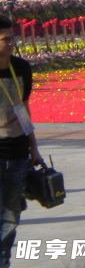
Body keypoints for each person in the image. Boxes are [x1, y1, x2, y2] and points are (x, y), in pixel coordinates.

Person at [0, 17, 43, 268]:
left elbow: (23, 107)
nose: (11, 44)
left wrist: (34, 148)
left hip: (17, 153)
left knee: (10, 214)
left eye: (12, 38)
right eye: (5, 40)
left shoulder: (21, 68)